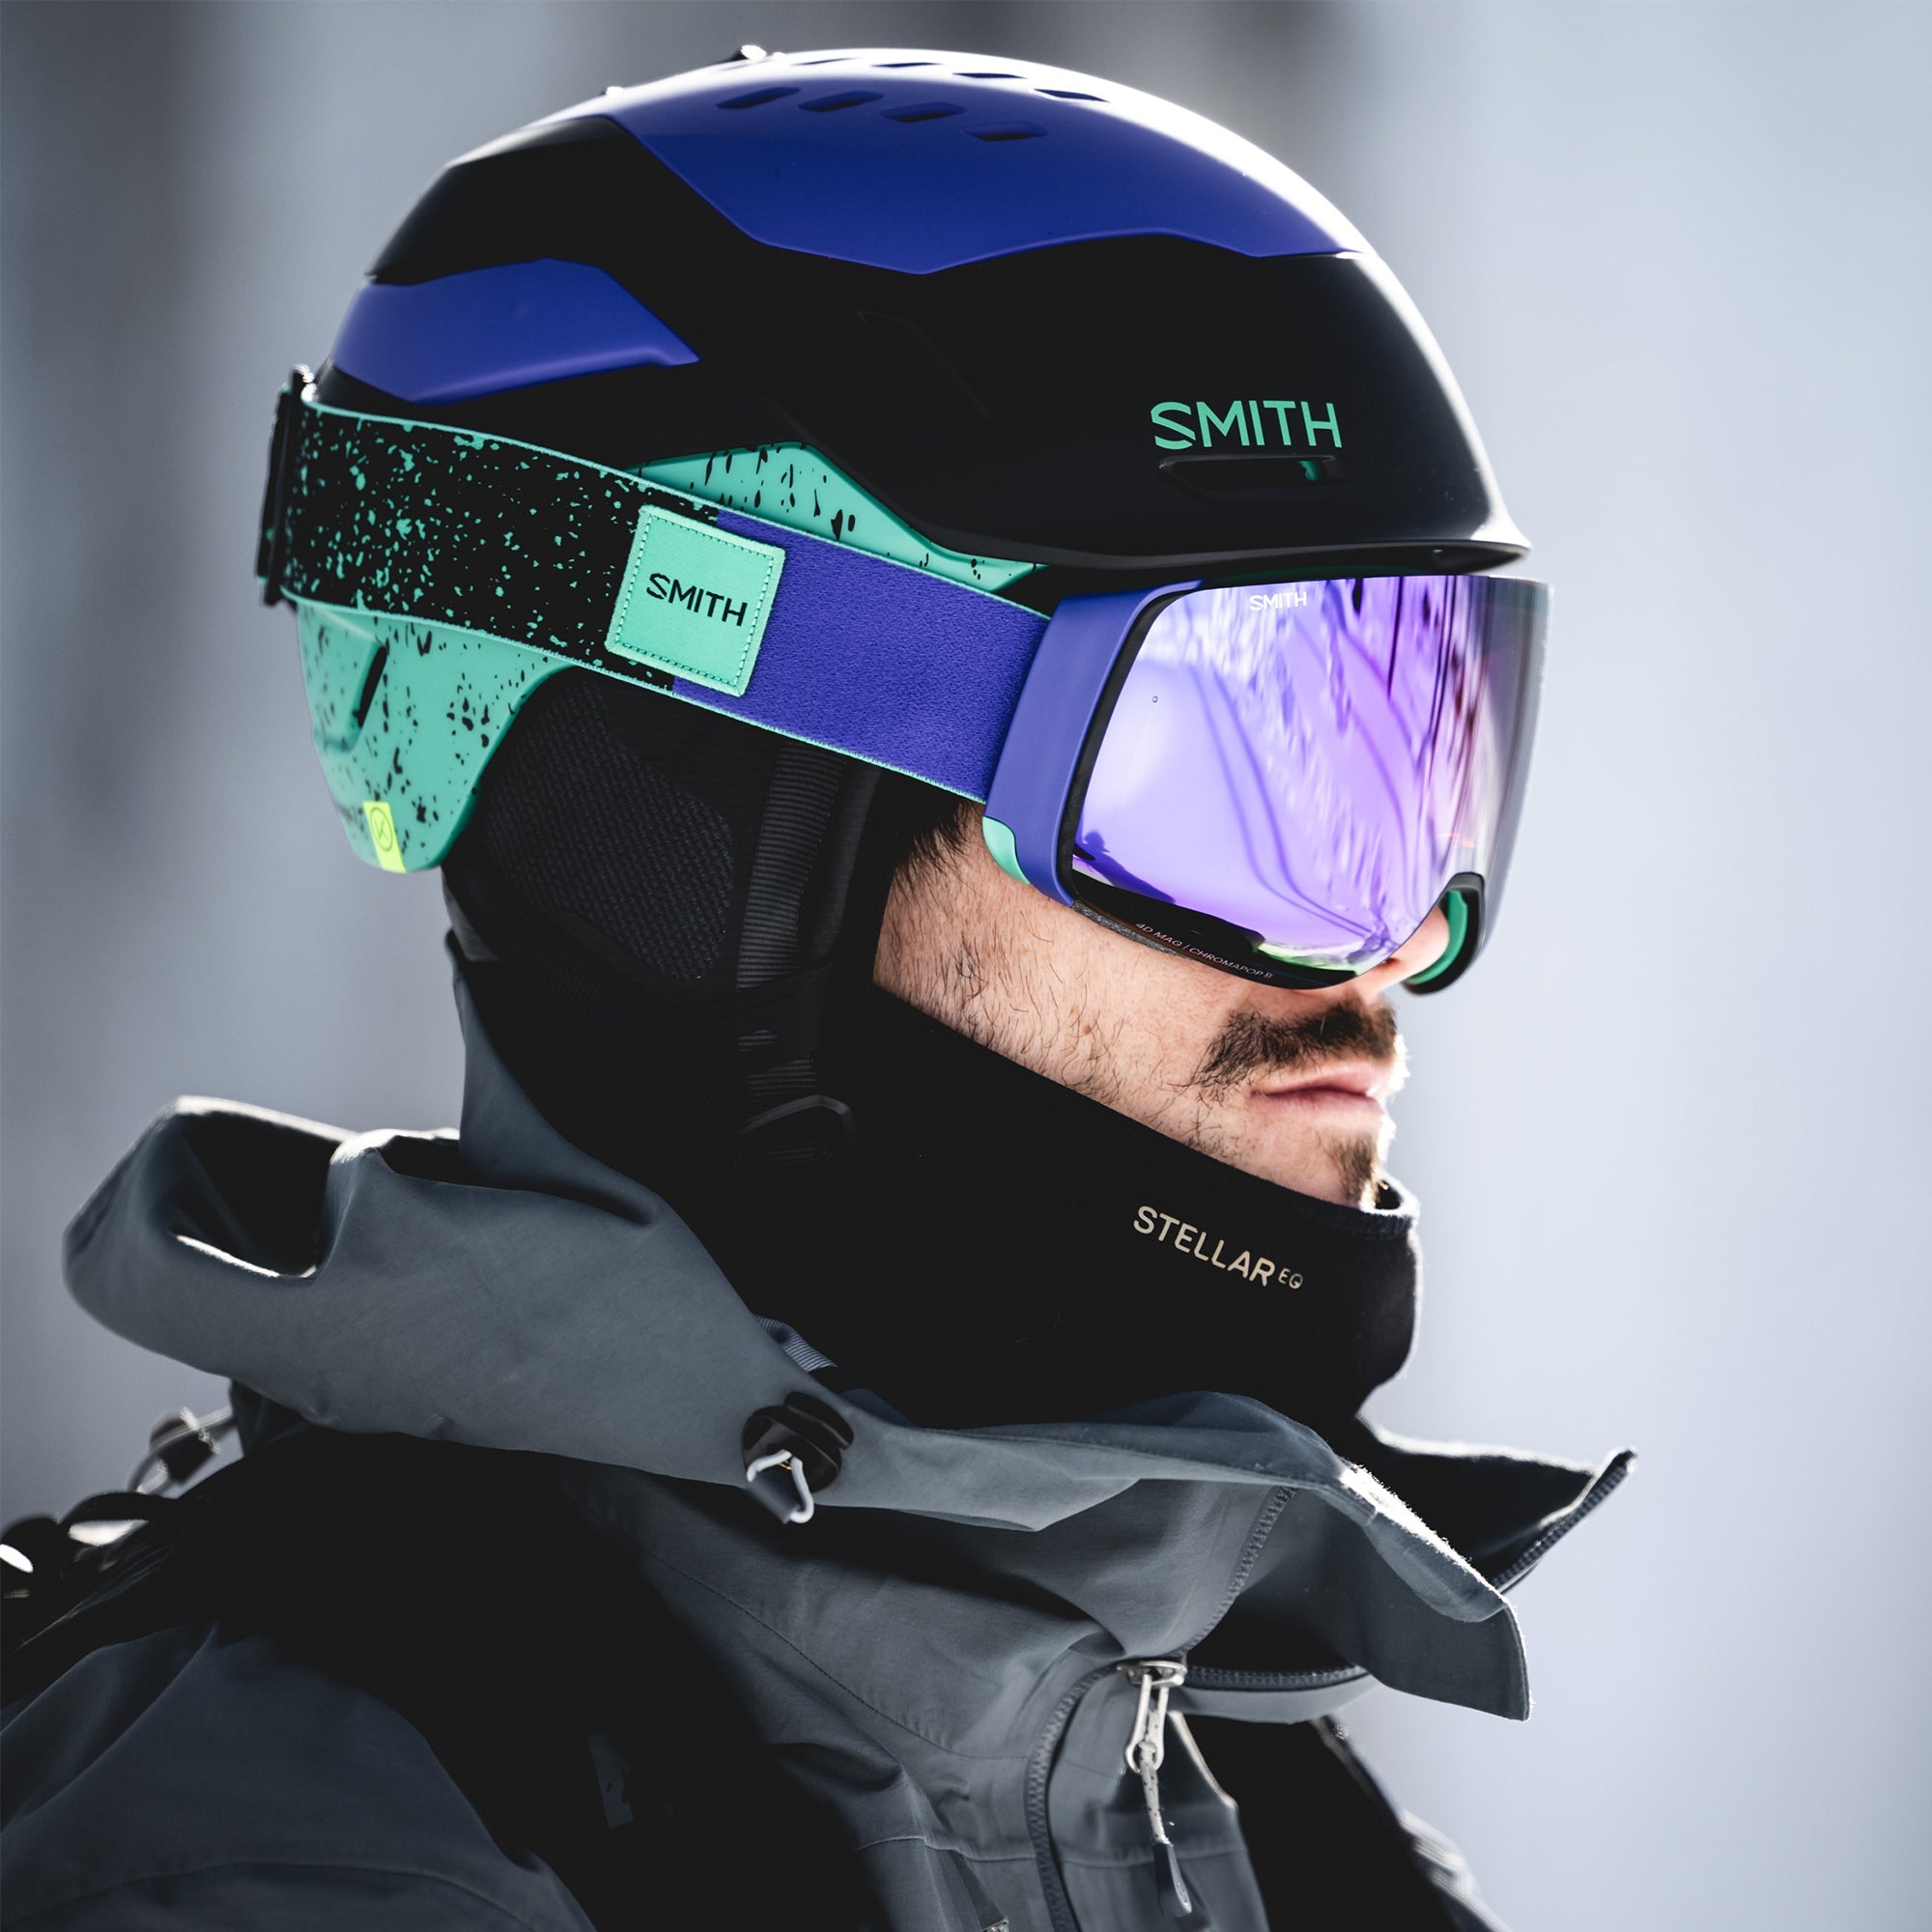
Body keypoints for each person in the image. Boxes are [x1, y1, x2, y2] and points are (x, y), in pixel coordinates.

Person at [0, 46, 1630, 1932]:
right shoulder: (302, 1861)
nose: (1383, 951)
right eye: (1219, 782)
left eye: (1410, 768)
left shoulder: (1258, 1813)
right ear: (716, 842)